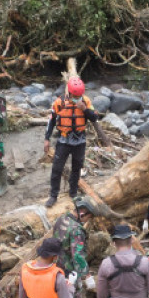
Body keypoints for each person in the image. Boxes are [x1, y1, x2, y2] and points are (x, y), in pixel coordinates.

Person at [44, 76, 111, 207]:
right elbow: (51, 121)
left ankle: (73, 193)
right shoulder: (59, 102)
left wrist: (84, 109)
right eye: (75, 95)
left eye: (79, 95)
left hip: (79, 141)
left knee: (76, 168)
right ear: (69, 92)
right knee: (57, 168)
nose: (77, 97)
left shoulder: (85, 101)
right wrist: (47, 139)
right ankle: (53, 195)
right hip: (64, 140)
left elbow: (94, 117)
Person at [52, 195, 96, 298]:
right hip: (70, 272)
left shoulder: (61, 219)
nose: (88, 220)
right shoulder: (77, 230)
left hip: (56, 268)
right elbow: (77, 255)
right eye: (89, 216)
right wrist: (87, 275)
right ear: (83, 212)